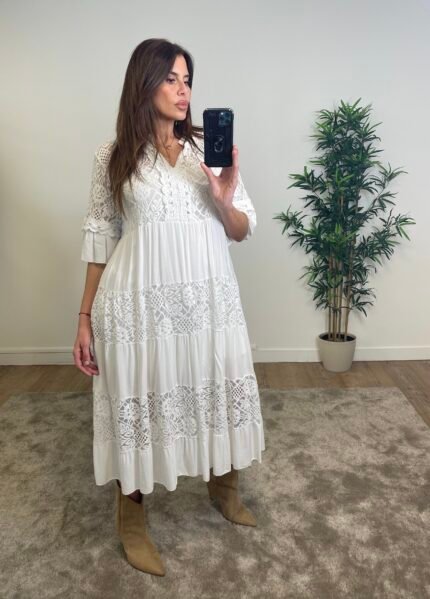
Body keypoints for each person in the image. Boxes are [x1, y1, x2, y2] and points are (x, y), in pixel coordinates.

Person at [73, 38, 265, 576]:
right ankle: (131, 521)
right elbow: (100, 239)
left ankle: (224, 488)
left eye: (188, 81)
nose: (184, 91)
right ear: (145, 83)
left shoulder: (208, 153)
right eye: (172, 79)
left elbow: (241, 229)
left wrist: (223, 200)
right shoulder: (112, 157)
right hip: (137, 307)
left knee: (218, 388)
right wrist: (84, 318)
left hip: (209, 301)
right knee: (140, 402)